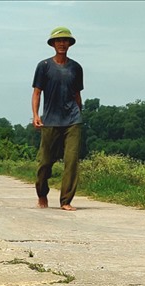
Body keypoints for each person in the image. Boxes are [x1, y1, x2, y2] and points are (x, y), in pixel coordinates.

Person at [31, 26, 84, 211]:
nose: (62, 43)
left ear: (69, 44)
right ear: (53, 44)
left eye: (65, 40)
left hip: (72, 120)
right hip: (51, 120)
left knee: (71, 161)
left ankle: (66, 201)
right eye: (59, 40)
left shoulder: (76, 68)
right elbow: (37, 93)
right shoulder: (44, 66)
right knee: (45, 162)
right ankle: (42, 193)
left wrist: (80, 113)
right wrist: (36, 115)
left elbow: (77, 94)